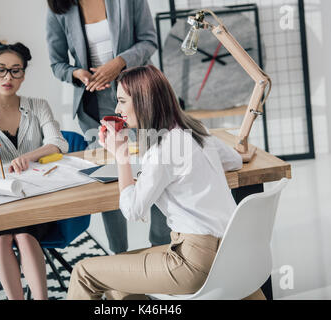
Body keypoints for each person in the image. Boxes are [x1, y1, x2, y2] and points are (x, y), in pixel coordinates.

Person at [66, 65, 266, 300]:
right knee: (119, 286)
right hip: (232, 253)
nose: (117, 109)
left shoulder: (161, 150)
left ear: (143, 101)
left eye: (121, 101)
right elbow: (233, 161)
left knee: (83, 272)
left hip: (193, 263)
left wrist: (121, 157)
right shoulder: (195, 130)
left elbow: (132, 210)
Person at [46, 0, 171, 254]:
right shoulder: (58, 8)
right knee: (110, 177)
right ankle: (119, 257)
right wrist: (77, 74)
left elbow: (149, 41)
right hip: (95, 106)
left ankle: (161, 249)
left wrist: (119, 63)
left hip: (140, 99)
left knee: (157, 168)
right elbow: (57, 64)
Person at [0, 41, 69, 300]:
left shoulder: (38, 106)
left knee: (24, 234)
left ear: (23, 74)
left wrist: (27, 157)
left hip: (35, 198)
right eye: (0, 70)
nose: (8, 77)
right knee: (0, 241)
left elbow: (59, 143)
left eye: (15, 70)